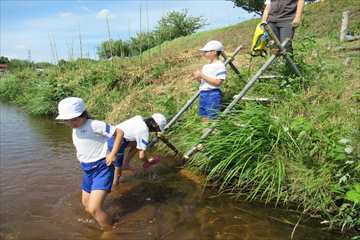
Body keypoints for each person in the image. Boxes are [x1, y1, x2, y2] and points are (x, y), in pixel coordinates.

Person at [56, 97, 122, 231]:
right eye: (67, 120)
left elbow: (119, 132)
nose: (71, 123)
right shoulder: (76, 127)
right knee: (86, 205)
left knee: (94, 208)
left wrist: (113, 153)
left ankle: (109, 230)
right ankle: (106, 218)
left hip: (102, 167)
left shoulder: (94, 124)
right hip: (87, 169)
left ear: (83, 115)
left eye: (74, 119)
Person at [108, 113, 167, 186]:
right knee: (117, 175)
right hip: (116, 143)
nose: (156, 131)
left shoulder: (139, 118)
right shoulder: (144, 132)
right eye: (157, 129)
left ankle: (125, 163)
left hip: (110, 135)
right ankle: (114, 186)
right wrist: (148, 161)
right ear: (154, 125)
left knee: (137, 143)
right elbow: (141, 156)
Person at [193, 40, 227, 121]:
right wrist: (198, 78)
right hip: (203, 93)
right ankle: (205, 133)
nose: (204, 53)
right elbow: (203, 82)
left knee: (213, 119)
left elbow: (218, 82)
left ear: (214, 52)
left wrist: (202, 75)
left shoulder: (220, 65)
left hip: (213, 94)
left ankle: (214, 133)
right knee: (204, 117)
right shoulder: (206, 66)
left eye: (206, 51)